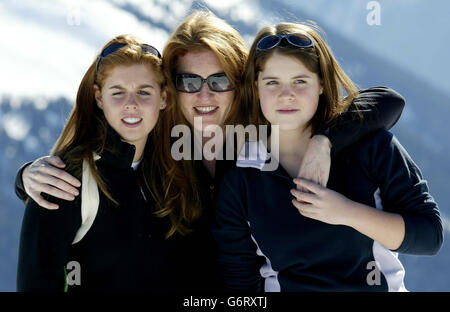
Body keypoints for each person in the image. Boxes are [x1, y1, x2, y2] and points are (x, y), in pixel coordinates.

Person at [15, 11, 406, 291]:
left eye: (220, 80)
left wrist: (325, 142)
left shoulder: (268, 138)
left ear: (243, 83)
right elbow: (102, 167)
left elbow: (385, 100)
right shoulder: (156, 151)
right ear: (169, 93)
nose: (205, 95)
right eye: (190, 81)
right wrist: (31, 176)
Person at [211, 22, 443, 292]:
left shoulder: (370, 147)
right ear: (256, 87)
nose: (286, 95)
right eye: (272, 82)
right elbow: (241, 280)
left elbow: (430, 235)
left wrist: (346, 212)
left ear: (321, 83)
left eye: (300, 81)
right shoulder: (241, 177)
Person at [15, 34, 196, 291]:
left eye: (144, 92)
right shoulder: (64, 180)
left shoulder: (172, 174)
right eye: (118, 92)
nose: (131, 105)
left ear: (164, 98)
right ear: (99, 98)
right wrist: (24, 178)